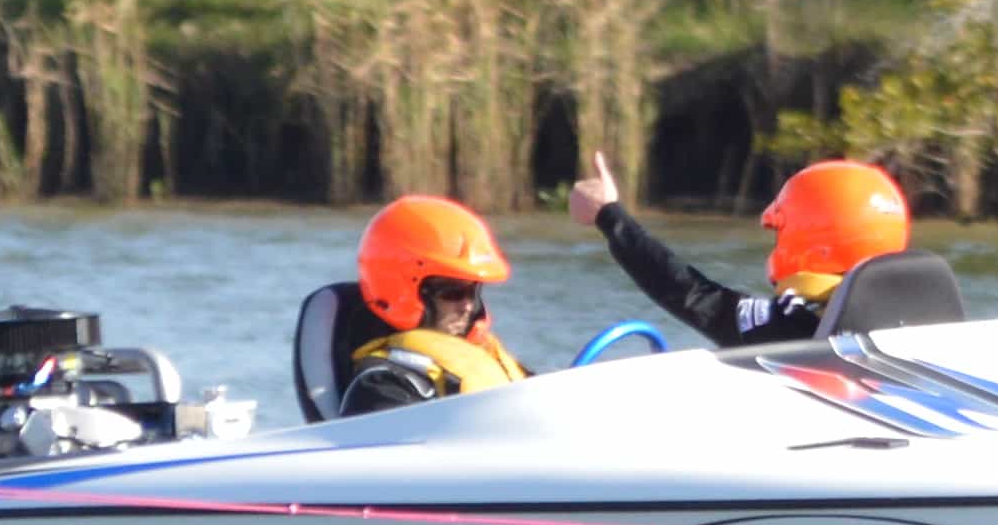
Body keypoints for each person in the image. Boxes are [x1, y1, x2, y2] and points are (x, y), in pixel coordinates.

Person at [561, 151, 911, 348]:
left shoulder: (800, 323)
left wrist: (609, 215)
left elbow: (690, 294)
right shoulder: (922, 315)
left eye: (781, 232)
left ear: (812, 240)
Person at [334, 193, 529, 413]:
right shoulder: (380, 386)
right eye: (452, 292)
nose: (467, 306)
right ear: (403, 290)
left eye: (472, 291)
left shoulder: (490, 355)